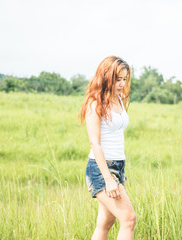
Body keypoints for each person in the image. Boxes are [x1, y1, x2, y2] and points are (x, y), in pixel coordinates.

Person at [79, 56, 136, 240]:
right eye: (117, 79)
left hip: (118, 166)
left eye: (124, 79)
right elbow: (94, 143)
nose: (121, 83)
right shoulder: (95, 103)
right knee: (128, 219)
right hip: (101, 169)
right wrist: (108, 178)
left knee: (105, 223)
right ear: (106, 77)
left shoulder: (119, 98)